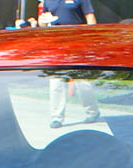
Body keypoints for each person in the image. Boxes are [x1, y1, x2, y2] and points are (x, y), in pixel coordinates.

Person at [37, 0, 100, 128]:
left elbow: (90, 17)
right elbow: (42, 20)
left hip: (77, 43)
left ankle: (92, 112)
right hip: (57, 45)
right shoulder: (48, 1)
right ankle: (56, 117)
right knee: (56, 81)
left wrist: (90, 38)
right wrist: (42, 21)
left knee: (82, 81)